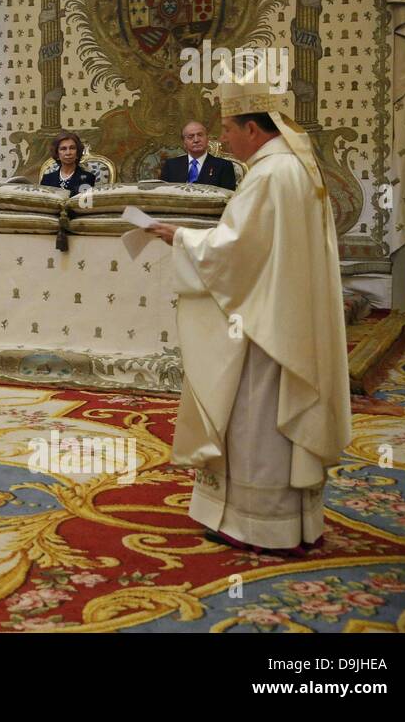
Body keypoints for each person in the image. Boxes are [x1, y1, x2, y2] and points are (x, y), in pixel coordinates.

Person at [146, 80, 350, 555]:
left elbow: (236, 251)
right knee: (270, 419)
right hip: (285, 312)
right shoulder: (296, 167)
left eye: (227, 129)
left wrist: (179, 238)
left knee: (254, 420)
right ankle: (289, 521)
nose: (223, 140)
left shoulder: (269, 175)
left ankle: (258, 523)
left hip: (265, 325)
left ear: (253, 128)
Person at [160, 120, 238, 190]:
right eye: (191, 137)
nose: (196, 140)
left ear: (207, 139)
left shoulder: (224, 166)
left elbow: (228, 197)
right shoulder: (171, 165)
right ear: (184, 143)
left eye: (200, 135)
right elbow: (163, 194)